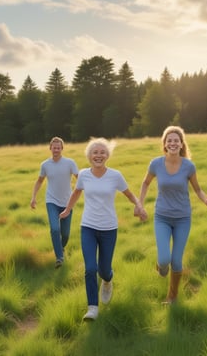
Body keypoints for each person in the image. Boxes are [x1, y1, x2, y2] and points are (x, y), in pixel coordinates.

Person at [59, 137, 147, 321]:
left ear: (107, 155)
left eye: (102, 152)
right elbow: (76, 192)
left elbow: (128, 193)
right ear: (89, 156)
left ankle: (107, 281)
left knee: (104, 270)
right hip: (88, 227)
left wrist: (139, 205)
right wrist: (67, 209)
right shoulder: (83, 174)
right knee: (90, 268)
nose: (98, 155)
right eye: (95, 152)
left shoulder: (115, 175)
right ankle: (92, 308)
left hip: (109, 228)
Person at [139, 126, 207, 305]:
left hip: (183, 218)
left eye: (176, 140)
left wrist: (206, 200)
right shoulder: (156, 164)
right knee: (165, 259)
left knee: (176, 261)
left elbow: (197, 189)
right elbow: (145, 183)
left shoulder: (188, 166)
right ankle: (161, 266)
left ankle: (172, 298)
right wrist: (140, 203)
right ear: (165, 144)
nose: (173, 143)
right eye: (170, 140)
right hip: (162, 217)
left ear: (181, 144)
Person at [30, 136, 79, 269]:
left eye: (58, 147)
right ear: (50, 148)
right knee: (54, 229)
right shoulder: (45, 165)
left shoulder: (70, 163)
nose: (56, 150)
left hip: (67, 203)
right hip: (51, 201)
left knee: (66, 234)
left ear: (62, 149)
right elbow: (39, 181)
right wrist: (33, 197)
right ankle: (59, 257)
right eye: (54, 147)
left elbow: (79, 178)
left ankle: (60, 248)